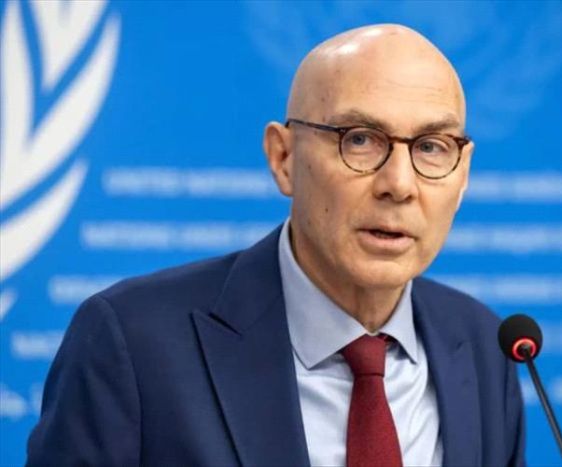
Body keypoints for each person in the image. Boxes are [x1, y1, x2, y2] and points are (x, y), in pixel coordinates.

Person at [27, 24, 525, 466]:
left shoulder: (486, 345)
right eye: (359, 139)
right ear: (283, 158)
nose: (398, 184)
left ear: (463, 175)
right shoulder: (134, 342)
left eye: (432, 147)